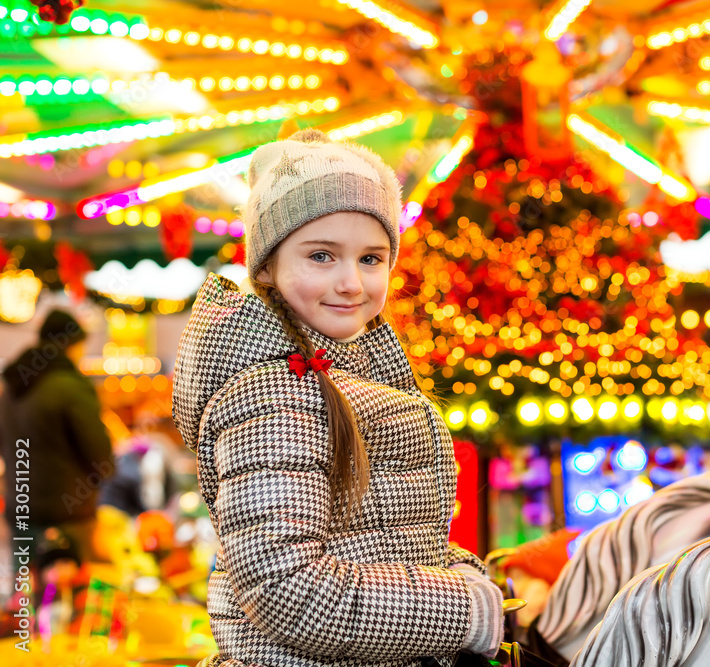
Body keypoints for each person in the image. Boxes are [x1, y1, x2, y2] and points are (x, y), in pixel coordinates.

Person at [171, 129, 503, 667]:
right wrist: (463, 607)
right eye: (321, 256)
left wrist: (457, 570)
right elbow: (288, 590)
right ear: (268, 268)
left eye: (371, 258)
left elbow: (385, 539)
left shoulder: (356, 367)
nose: (351, 282)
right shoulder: (274, 394)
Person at [0, 309, 115, 602]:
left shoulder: (12, 387)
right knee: (70, 607)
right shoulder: (70, 387)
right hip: (69, 520)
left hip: (22, 514)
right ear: (69, 343)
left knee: (25, 607)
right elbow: (101, 456)